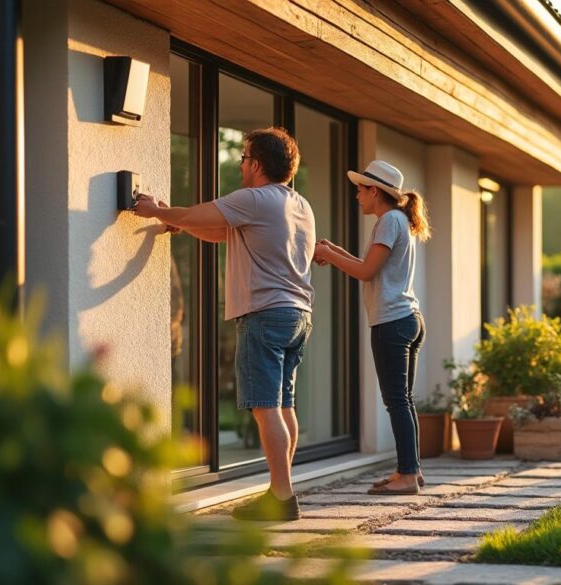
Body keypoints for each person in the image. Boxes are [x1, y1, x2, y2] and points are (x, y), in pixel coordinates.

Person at [134, 127, 314, 520]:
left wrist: (157, 210)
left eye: (244, 158)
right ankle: (281, 490)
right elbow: (218, 231)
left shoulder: (253, 198)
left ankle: (281, 499)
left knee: (266, 408)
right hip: (297, 315)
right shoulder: (298, 204)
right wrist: (179, 222)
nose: (241, 165)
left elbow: (198, 213)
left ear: (258, 164)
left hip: (264, 314)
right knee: (283, 406)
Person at [314, 160, 429, 495]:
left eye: (360, 190)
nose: (357, 196)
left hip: (392, 322)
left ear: (375, 191)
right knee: (403, 400)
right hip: (407, 318)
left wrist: (328, 255)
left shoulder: (388, 222)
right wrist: (332, 250)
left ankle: (407, 475)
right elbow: (372, 267)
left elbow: (365, 272)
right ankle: (412, 470)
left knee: (397, 401)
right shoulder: (396, 220)